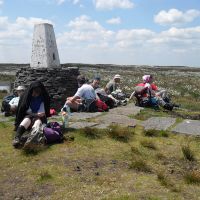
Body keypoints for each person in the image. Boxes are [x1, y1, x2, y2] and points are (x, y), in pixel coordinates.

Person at [13, 81, 50, 148]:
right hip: (29, 115)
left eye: (37, 93)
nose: (34, 95)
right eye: (34, 93)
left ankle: (30, 138)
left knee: (38, 121)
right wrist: (35, 114)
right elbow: (26, 111)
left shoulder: (43, 98)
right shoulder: (26, 97)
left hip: (40, 117)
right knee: (27, 119)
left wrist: (38, 115)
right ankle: (17, 137)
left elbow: (42, 111)